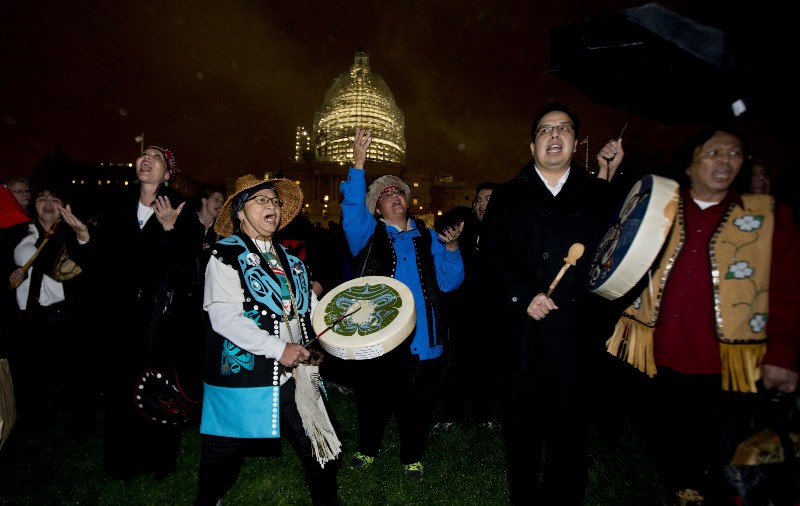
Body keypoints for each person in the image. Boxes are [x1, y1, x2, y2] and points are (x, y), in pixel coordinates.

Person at [605, 126, 800, 505]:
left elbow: (789, 290)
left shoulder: (768, 216)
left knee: (724, 457)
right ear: (691, 161)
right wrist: (610, 172)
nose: (725, 161)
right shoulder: (655, 211)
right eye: (714, 152)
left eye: (735, 153)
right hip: (657, 360)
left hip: (731, 365)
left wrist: (784, 355)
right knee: (669, 449)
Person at [479, 100, 625, 505]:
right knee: (522, 437)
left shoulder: (598, 195)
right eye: (545, 130)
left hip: (575, 341)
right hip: (521, 340)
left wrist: (607, 178)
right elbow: (490, 257)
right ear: (532, 147)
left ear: (575, 142)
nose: (554, 135)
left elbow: (613, 256)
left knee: (570, 436)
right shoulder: (508, 196)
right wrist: (524, 294)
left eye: (563, 129)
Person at [194, 175, 342, 506]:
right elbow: (224, 317)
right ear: (240, 213)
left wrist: (350, 327)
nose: (271, 206)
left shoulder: (295, 264)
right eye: (260, 200)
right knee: (222, 456)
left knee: (324, 446)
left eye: (274, 201)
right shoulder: (223, 255)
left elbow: (314, 313)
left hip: (296, 375)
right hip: (243, 376)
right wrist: (278, 349)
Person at [339, 127, 464, 479]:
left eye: (398, 191)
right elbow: (350, 210)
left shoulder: (428, 236)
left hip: (421, 335)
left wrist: (452, 249)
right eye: (385, 193)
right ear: (376, 206)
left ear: (407, 201)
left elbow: (450, 282)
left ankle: (413, 454)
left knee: (417, 401)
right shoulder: (367, 232)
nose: (393, 195)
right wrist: (359, 164)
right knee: (373, 398)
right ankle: (367, 449)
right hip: (378, 333)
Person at [93, 145, 196, 480]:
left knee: (156, 389)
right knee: (120, 389)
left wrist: (169, 229)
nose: (146, 159)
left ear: (167, 173)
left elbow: (187, 268)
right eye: (143, 155)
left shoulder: (181, 209)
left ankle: (159, 460)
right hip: (120, 318)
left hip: (159, 321)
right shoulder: (115, 208)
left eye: (157, 157)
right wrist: (83, 239)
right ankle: (122, 462)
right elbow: (102, 263)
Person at [8, 181, 97, 434]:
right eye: (42, 198)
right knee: (33, 375)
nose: (47, 204)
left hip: (65, 313)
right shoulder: (20, 232)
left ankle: (79, 425)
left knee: (74, 375)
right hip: (30, 315)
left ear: (64, 205)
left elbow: (88, 262)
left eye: (54, 199)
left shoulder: (74, 233)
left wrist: (81, 236)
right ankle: (36, 422)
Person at [434, 181, 500, 429]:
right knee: (458, 363)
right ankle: (452, 410)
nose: (483, 204)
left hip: (494, 312)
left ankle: (482, 412)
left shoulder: (506, 230)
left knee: (487, 365)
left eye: (489, 199)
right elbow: (441, 228)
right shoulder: (465, 225)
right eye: (479, 200)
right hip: (463, 310)